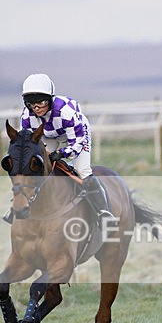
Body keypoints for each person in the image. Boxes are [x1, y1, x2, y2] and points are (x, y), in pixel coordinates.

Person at [19, 73, 114, 224]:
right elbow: (27, 144)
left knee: (83, 171)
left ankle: (104, 212)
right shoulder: (26, 117)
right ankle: (21, 204)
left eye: (41, 102)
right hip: (48, 135)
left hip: (76, 135)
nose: (36, 108)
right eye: (31, 103)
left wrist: (61, 153)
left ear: (50, 99)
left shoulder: (66, 113)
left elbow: (76, 144)